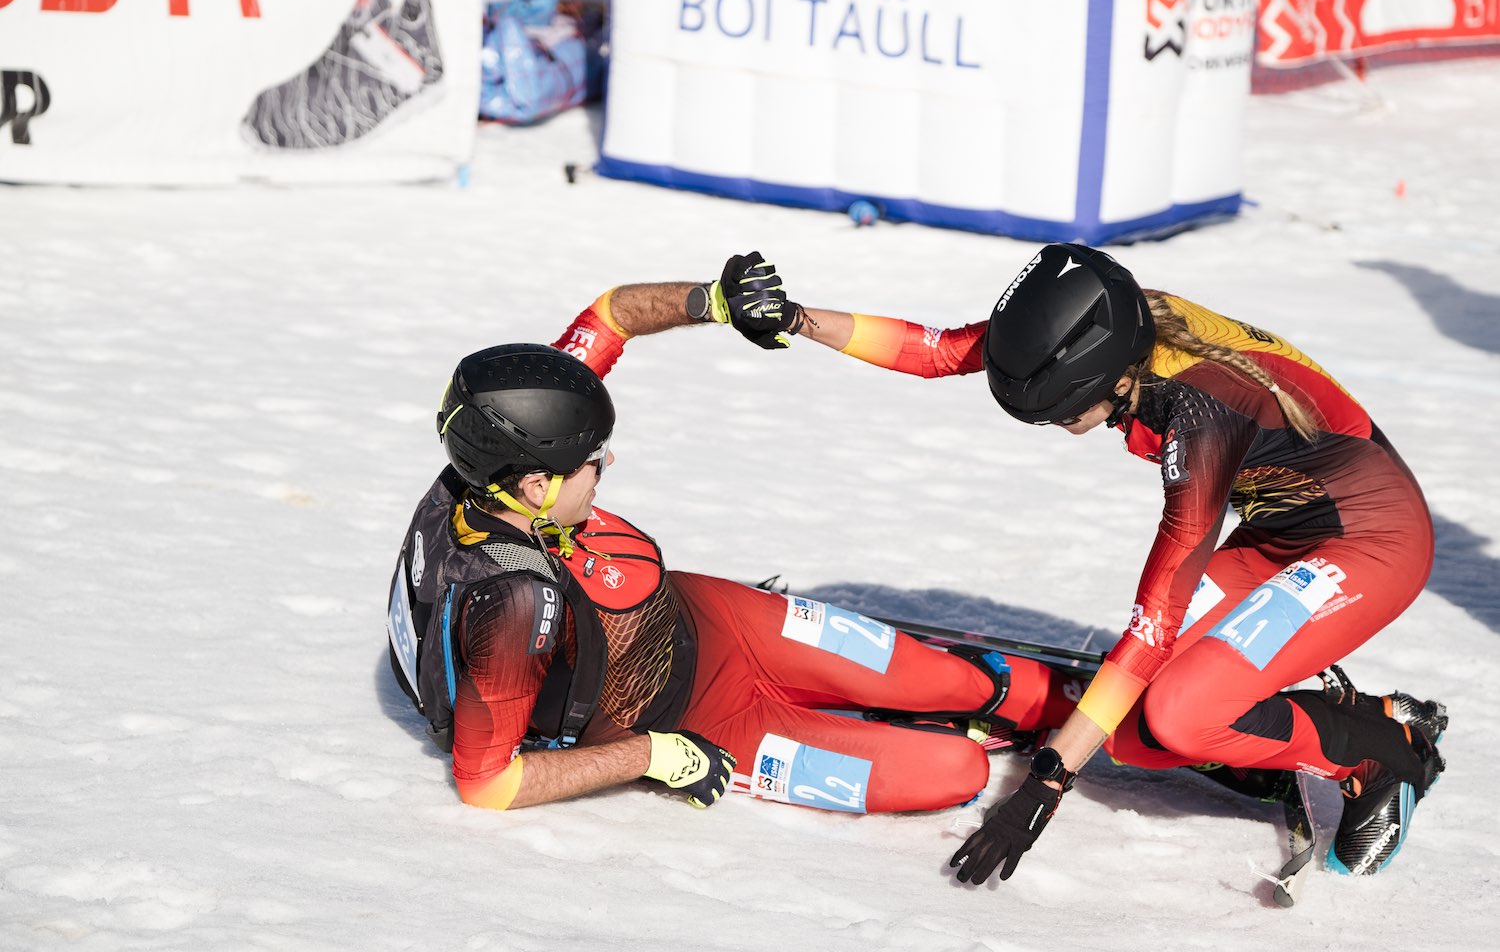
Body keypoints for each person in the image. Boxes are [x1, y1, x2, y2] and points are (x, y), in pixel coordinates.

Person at [738, 242, 1448, 881]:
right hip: (1287, 526)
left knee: (1180, 711)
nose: (1053, 426)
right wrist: (796, 319)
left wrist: (1044, 786)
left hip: (1371, 539)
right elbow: (939, 350)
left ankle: (1379, 755)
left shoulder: (1200, 415)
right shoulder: (1098, 331)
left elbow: (1154, 622)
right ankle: (1336, 714)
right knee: (1137, 737)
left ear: (1107, 381)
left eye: (1058, 412)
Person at [384, 254, 1087, 816]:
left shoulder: (497, 452)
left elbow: (612, 315)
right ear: (534, 487)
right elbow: (489, 784)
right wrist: (651, 758)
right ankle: (911, 722)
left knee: (948, 678)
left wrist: (714, 300)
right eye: (590, 461)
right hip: (705, 726)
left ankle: (1010, 704)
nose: (606, 464)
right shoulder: (511, 607)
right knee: (952, 773)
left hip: (716, 618)